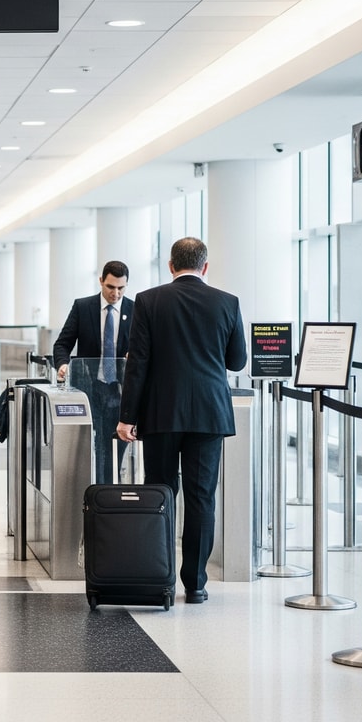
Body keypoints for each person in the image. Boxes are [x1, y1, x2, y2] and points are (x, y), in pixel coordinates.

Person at [115, 238, 246, 605]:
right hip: (209, 413)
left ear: (171, 266)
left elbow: (138, 362)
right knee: (201, 496)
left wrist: (127, 418)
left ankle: (161, 575)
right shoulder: (228, 302)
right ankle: (196, 584)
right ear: (205, 267)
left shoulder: (148, 300)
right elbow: (237, 362)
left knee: (160, 490)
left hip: (161, 413)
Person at [53, 261, 135, 484]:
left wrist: (134, 357)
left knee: (115, 448)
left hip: (119, 392)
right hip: (89, 388)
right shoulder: (83, 307)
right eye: (110, 287)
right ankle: (92, 490)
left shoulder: (135, 310)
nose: (115, 293)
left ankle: (108, 491)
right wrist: (62, 364)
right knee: (92, 446)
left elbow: (145, 349)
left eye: (121, 288)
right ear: (101, 281)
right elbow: (62, 344)